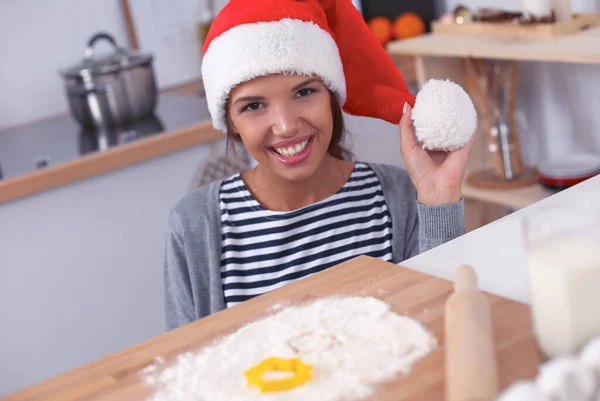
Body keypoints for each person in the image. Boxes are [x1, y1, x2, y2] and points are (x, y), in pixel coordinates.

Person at [163, 0, 475, 330]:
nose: (285, 126)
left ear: (331, 96)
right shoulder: (194, 226)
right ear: (231, 122)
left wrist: (439, 199)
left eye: (304, 92)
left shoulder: (398, 198)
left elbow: (448, 325)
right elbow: (191, 360)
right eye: (253, 105)